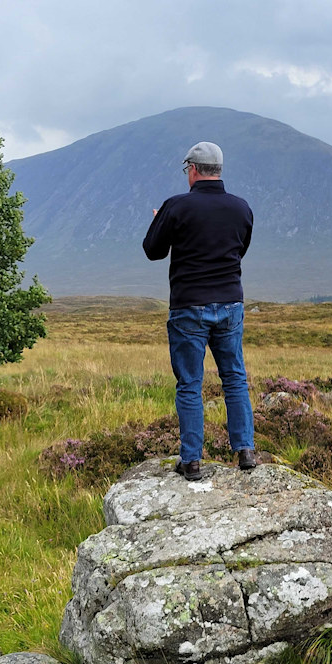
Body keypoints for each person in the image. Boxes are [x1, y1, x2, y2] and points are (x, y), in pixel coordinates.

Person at [142, 141, 256, 481]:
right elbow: (240, 250)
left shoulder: (176, 207)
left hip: (188, 307)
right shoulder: (242, 208)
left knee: (190, 384)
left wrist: (159, 222)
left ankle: (191, 461)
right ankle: (245, 451)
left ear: (192, 170)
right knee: (234, 377)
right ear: (219, 170)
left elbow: (153, 251)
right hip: (230, 303)